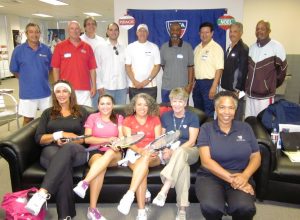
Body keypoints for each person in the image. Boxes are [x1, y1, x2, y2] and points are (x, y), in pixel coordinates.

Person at [25, 80, 89, 219]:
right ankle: (65, 216)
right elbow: (39, 138)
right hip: (52, 150)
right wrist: (59, 135)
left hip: (76, 151)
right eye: (58, 91)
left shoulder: (81, 111)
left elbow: (85, 138)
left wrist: (71, 139)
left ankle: (42, 192)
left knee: (69, 147)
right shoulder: (48, 113)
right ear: (54, 95)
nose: (61, 94)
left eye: (64, 91)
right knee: (62, 167)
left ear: (70, 93)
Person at [195, 91, 261, 220]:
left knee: (244, 208)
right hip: (211, 176)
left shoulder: (245, 128)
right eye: (222, 107)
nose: (227, 112)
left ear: (235, 110)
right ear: (216, 108)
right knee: (211, 208)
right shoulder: (206, 128)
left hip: (240, 174)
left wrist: (245, 176)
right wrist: (235, 181)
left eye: (231, 108)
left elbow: (256, 156)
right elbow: (206, 161)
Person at [72, 94, 123, 220]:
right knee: (100, 167)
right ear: (98, 105)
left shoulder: (118, 117)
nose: (105, 106)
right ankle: (92, 210)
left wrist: (118, 144)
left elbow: (122, 138)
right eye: (102, 104)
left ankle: (84, 183)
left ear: (113, 105)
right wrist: (107, 139)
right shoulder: (92, 117)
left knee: (110, 152)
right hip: (96, 151)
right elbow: (87, 138)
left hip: (114, 153)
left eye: (108, 103)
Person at [152, 87, 200, 220]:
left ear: (185, 103)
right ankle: (182, 209)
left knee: (180, 153)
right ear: (170, 102)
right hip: (171, 154)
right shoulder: (165, 116)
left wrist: (174, 151)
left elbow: (191, 141)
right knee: (183, 168)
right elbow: (162, 139)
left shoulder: (192, 116)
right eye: (174, 101)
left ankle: (164, 190)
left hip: (190, 152)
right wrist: (164, 150)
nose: (177, 104)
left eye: (180, 101)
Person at [117, 93, 162, 220]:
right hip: (134, 153)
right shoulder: (128, 120)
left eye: (146, 105)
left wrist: (150, 150)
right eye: (139, 104)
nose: (142, 107)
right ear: (134, 106)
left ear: (150, 107)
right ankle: (141, 212)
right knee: (142, 172)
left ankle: (130, 194)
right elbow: (128, 142)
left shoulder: (155, 119)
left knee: (145, 159)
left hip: (153, 154)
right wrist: (141, 151)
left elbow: (159, 141)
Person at [9, 23, 52, 126]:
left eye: (37, 32)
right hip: (28, 93)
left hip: (45, 92)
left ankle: (47, 140)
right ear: (26, 34)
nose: (34, 34)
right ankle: (26, 142)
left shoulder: (46, 49)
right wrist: (26, 80)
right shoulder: (18, 50)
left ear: (40, 33)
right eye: (31, 32)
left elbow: (50, 68)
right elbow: (14, 70)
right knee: (28, 120)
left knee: (50, 118)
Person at [245, 20, 287, 118]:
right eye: (257, 29)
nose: (259, 31)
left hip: (265, 97)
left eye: (262, 29)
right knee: (249, 122)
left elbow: (282, 70)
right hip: (250, 96)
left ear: (269, 31)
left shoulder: (276, 47)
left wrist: (269, 85)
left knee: (263, 124)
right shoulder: (251, 48)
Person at [52, 20, 97, 107]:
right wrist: (57, 86)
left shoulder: (87, 47)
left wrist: (94, 86)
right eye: (72, 28)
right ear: (68, 30)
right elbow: (55, 68)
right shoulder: (59, 47)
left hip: (84, 88)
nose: (75, 31)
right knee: (67, 115)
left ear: (80, 30)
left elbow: (92, 69)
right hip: (66, 88)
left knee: (84, 115)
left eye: (77, 29)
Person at [193, 22, 224, 118]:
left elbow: (219, 69)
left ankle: (209, 132)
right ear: (199, 33)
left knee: (209, 110)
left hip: (209, 84)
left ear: (212, 33)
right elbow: (195, 66)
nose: (204, 35)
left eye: (207, 32)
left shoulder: (216, 48)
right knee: (198, 110)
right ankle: (199, 131)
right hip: (197, 84)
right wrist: (194, 81)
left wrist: (214, 86)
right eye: (202, 32)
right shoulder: (197, 48)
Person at [220, 22, 249, 120]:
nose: (232, 34)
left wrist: (238, 89)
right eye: (231, 31)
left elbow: (242, 70)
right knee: (228, 116)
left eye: (235, 32)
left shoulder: (243, 49)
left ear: (241, 33)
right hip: (228, 89)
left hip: (236, 91)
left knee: (236, 116)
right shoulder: (230, 47)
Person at [160, 22, 194, 103]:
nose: (175, 32)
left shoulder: (188, 47)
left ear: (180, 32)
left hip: (182, 88)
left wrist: (189, 84)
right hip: (167, 88)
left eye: (177, 30)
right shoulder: (164, 47)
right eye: (172, 30)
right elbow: (163, 66)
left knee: (182, 112)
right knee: (166, 111)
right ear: (170, 31)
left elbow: (190, 67)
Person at [94, 22, 127, 105]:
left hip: (121, 86)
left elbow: (127, 68)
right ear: (107, 32)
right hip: (106, 87)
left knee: (121, 113)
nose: (113, 32)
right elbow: (96, 68)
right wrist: (99, 85)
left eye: (116, 30)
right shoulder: (100, 47)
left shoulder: (124, 48)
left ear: (119, 32)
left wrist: (127, 85)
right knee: (107, 113)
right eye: (111, 30)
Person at [125, 24, 161, 101]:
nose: (142, 33)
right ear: (136, 33)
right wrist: (134, 81)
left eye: (144, 31)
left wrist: (147, 81)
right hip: (134, 86)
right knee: (135, 110)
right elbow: (127, 66)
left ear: (148, 33)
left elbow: (157, 66)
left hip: (150, 86)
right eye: (140, 31)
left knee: (150, 111)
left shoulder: (154, 47)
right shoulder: (130, 47)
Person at [80, 16, 106, 109]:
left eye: (93, 24)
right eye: (88, 24)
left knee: (100, 105)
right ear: (85, 27)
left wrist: (100, 83)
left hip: (100, 78)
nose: (91, 26)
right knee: (87, 106)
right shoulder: (80, 40)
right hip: (84, 79)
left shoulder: (102, 41)